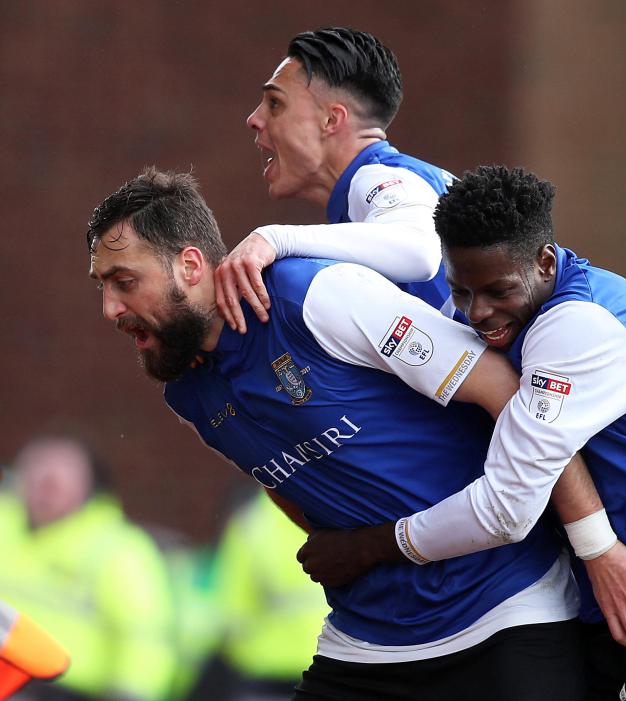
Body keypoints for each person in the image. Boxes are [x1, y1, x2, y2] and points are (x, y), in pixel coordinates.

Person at [86, 168, 595, 700]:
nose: (110, 309)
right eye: (103, 287)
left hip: (503, 608)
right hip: (367, 639)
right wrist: (342, 550)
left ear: (190, 266)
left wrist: (596, 548)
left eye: (125, 281)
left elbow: (508, 393)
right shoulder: (186, 391)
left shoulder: (311, 295)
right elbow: (283, 476)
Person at [295, 166, 626, 700]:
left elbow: (506, 506)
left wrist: (367, 547)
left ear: (545, 262)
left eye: (498, 289)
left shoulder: (578, 325)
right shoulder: (536, 315)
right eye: (461, 291)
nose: (479, 313)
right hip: (622, 607)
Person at [216, 27, 457, 332]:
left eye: (275, 103)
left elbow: (419, 254)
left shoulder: (377, 177)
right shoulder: (398, 183)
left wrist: (275, 238)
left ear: (331, 120)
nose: (254, 119)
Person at [0, 436, 176, 701]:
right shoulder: (5, 522)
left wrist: (130, 695)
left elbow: (145, 639)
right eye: (37, 478)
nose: (45, 491)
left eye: (56, 484)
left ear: (87, 488)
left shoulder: (117, 548)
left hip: (67, 691)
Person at [212, 489, 332, 701]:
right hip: (334, 663)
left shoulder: (250, 524)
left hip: (265, 671)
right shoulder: (342, 515)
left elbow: (232, 611)